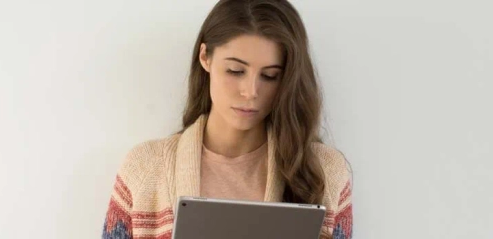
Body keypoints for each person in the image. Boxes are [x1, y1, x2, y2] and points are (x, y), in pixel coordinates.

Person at [101, 0, 352, 238]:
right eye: (235, 71)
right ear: (205, 57)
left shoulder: (325, 172)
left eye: (270, 76)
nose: (250, 92)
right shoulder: (145, 168)